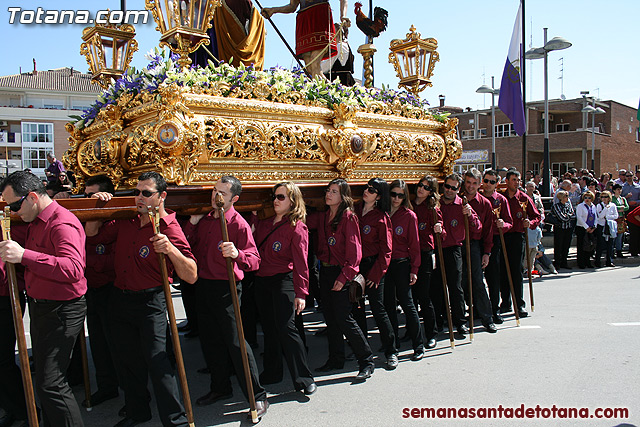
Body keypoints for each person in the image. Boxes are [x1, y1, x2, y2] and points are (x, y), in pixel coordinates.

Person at [86, 171, 198, 427]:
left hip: (151, 303)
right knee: (127, 362)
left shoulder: (170, 226)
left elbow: (191, 275)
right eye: (137, 192)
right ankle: (138, 411)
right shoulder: (127, 219)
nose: (139, 197)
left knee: (158, 364)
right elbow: (92, 235)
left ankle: (175, 420)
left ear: (162, 197)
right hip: (120, 299)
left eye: (146, 193)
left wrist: (170, 249)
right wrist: (98, 203)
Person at [0, 171, 87, 426]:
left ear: (33, 197)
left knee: (52, 384)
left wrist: (24, 255)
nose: (14, 211)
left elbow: (73, 269)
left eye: (15, 205)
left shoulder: (61, 223)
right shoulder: (36, 221)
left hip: (62, 310)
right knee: (46, 382)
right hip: (43, 308)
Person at [182, 176, 268, 417]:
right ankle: (220, 388)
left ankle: (257, 395)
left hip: (227, 288)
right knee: (210, 340)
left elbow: (255, 261)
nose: (215, 196)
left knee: (236, 342)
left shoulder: (238, 224)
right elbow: (189, 246)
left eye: (222, 192)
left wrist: (237, 253)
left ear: (234, 199)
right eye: (214, 190)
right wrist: (191, 223)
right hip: (203, 286)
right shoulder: (206, 220)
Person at [252, 182, 316, 395]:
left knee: (287, 328)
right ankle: (272, 372)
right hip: (262, 281)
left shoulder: (297, 227)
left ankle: (304, 378)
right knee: (269, 329)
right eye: (275, 197)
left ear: (292, 201)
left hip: (283, 281)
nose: (275, 201)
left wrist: (301, 293)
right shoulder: (265, 223)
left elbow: (301, 262)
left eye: (281, 197)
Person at [307, 178, 374, 381]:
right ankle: (336, 359)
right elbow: (301, 220)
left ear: (343, 196)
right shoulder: (323, 216)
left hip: (341, 273)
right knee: (330, 319)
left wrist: (344, 277)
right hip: (326, 273)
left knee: (344, 318)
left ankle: (366, 360)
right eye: (328, 190)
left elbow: (355, 255)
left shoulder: (348, 217)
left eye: (334, 191)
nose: (328, 194)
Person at [83, 175, 120, 408]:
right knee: (97, 341)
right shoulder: (82, 216)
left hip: (112, 289)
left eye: (93, 195)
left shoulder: (115, 220)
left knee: (116, 342)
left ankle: (131, 389)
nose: (88, 200)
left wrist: (90, 261)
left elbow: (113, 259)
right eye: (85, 196)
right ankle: (106, 386)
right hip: (91, 289)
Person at [352, 178, 396, 369]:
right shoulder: (355, 210)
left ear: (378, 196)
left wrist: (376, 275)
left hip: (373, 266)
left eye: (372, 190)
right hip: (356, 266)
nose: (366, 192)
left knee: (378, 309)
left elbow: (387, 250)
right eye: (366, 188)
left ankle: (391, 351)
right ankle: (362, 350)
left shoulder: (381, 217)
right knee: (357, 307)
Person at [432, 173, 480, 336]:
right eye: (447, 186)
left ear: (458, 189)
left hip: (454, 249)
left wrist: (470, 215)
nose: (450, 190)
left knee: (456, 286)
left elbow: (477, 227)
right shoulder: (435, 203)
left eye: (454, 188)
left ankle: (460, 321)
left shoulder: (463, 204)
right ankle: (439, 320)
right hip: (436, 249)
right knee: (437, 287)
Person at [384, 180, 425, 360]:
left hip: (401, 264)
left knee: (408, 305)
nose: (396, 198)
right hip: (384, 265)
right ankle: (393, 346)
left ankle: (418, 345)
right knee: (388, 307)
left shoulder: (409, 216)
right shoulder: (382, 213)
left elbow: (415, 245)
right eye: (393, 194)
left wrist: (414, 269)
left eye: (401, 195)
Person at [261, 0, 350, 77]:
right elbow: (292, 6)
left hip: (320, 16)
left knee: (315, 63)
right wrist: (273, 10)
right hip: (304, 20)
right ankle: (329, 90)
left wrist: (343, 16)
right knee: (310, 68)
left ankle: (323, 92)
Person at [461, 169, 497, 333]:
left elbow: (488, 230)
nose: (471, 186)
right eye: (468, 182)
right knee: (459, 282)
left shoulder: (484, 203)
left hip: (474, 245)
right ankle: (461, 316)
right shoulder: (455, 198)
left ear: (479, 184)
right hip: (455, 243)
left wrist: (486, 252)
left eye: (475, 183)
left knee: (477, 281)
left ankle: (487, 318)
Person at [501, 170, 540, 317]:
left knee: (516, 271)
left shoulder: (523, 198)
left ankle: (519, 304)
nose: (516, 182)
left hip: (517, 236)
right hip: (503, 236)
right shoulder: (501, 197)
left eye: (518, 180)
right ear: (507, 181)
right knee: (503, 270)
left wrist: (529, 223)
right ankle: (505, 303)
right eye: (513, 179)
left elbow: (536, 216)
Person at [0, 221, 28, 427]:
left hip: (5, 298)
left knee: (3, 361)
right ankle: (12, 407)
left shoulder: (8, 219)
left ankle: (25, 410)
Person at [411, 175, 444, 349]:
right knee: (411, 297)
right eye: (420, 185)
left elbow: (441, 232)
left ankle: (432, 333)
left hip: (424, 253)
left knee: (424, 295)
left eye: (426, 187)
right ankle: (412, 331)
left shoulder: (432, 208)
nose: (421, 189)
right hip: (408, 253)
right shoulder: (408, 204)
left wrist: (439, 230)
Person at [480, 169, 512, 325]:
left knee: (493, 277)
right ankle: (479, 308)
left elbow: (509, 222)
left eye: (492, 182)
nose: (488, 184)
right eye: (486, 181)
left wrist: (503, 225)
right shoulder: (475, 198)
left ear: (497, 184)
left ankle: (495, 309)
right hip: (478, 240)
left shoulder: (501, 200)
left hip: (494, 239)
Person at [551, 190, 576, 270]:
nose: (567, 198)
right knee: (559, 246)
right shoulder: (556, 206)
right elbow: (562, 217)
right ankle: (557, 263)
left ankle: (564, 262)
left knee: (566, 245)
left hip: (568, 228)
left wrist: (567, 216)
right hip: (560, 228)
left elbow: (573, 215)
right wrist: (568, 216)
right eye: (566, 196)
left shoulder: (568, 205)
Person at [594, 191, 618, 267]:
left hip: (610, 226)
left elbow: (616, 215)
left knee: (610, 244)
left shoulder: (613, 205)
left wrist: (608, 217)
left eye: (606, 197)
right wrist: (605, 209)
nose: (604, 199)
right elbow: (600, 216)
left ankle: (609, 261)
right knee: (600, 244)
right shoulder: (599, 205)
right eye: (602, 197)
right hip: (602, 225)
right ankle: (597, 261)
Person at [575, 191, 597, 269]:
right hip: (582, 227)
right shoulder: (580, 206)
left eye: (589, 198)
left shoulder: (593, 206)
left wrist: (594, 227)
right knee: (581, 246)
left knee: (589, 246)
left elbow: (595, 217)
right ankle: (581, 263)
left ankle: (588, 262)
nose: (587, 199)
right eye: (585, 197)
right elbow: (579, 217)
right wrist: (586, 227)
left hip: (591, 228)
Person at [611, 183, 629, 258]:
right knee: (614, 236)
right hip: (614, 219)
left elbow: (627, 207)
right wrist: (620, 208)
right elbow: (613, 207)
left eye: (620, 189)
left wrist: (621, 208)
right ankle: (612, 251)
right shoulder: (612, 198)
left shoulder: (622, 199)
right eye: (618, 189)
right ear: (614, 190)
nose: (619, 191)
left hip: (621, 219)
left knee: (620, 236)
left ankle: (619, 251)